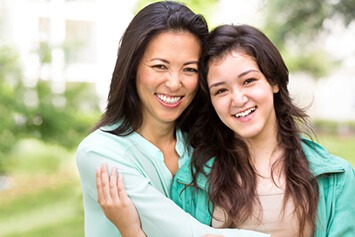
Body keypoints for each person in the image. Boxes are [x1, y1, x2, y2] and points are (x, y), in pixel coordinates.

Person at [76, 1, 269, 237]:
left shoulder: (201, 145)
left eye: (189, 69)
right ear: (132, 68)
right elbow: (190, 233)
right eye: (160, 66)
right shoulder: (100, 153)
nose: (174, 83)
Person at [171, 24, 355, 237]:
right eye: (221, 90)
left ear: (274, 81)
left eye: (249, 81)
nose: (238, 99)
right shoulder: (190, 183)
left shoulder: (337, 179)